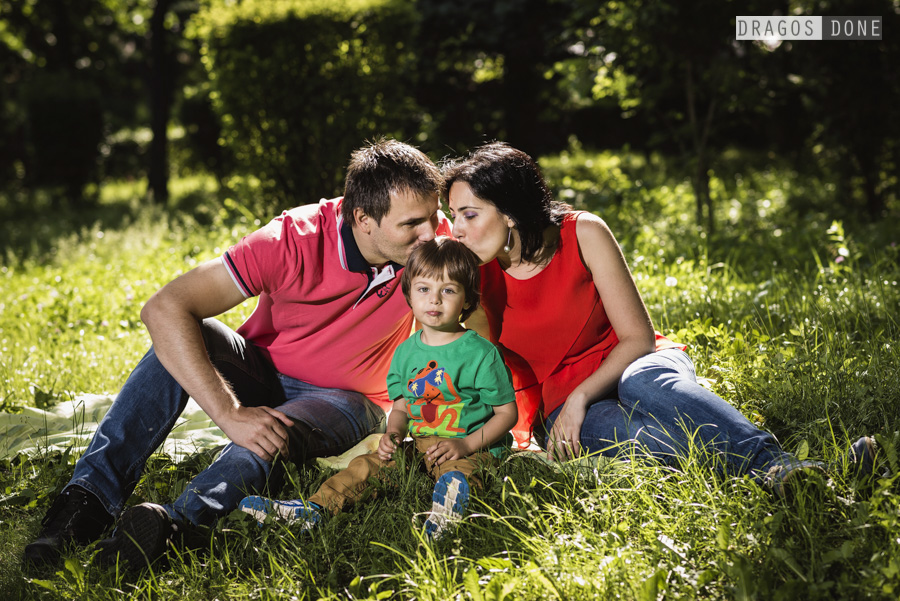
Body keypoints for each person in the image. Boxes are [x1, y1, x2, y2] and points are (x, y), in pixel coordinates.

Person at [24, 139, 452, 568]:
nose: (431, 232)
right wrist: (229, 414)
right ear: (363, 218)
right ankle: (83, 507)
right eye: (413, 223)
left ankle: (175, 527)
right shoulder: (292, 239)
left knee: (268, 432)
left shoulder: (434, 245)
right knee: (190, 334)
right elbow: (163, 307)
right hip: (261, 371)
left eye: (434, 216)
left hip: (348, 398)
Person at [442, 141, 876, 492]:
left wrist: (581, 395)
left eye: (469, 214)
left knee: (644, 384)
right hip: (558, 406)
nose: (457, 228)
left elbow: (638, 339)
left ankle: (780, 466)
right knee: (644, 437)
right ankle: (794, 478)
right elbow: (461, 358)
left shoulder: (583, 232)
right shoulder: (471, 278)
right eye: (453, 216)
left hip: (632, 362)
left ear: (511, 212)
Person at [238, 237, 518, 539]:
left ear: (467, 299)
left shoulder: (480, 353)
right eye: (424, 289)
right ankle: (314, 510)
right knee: (368, 465)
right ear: (409, 294)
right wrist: (394, 435)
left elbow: (507, 414)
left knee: (460, 473)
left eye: (448, 290)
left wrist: (466, 445)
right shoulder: (406, 353)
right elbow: (400, 407)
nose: (434, 300)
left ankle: (448, 514)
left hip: (472, 444)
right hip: (421, 445)